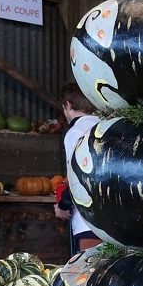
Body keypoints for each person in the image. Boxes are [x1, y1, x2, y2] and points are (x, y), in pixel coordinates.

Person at [54, 83, 101, 254]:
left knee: (86, 273)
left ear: (67, 105)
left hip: (87, 220)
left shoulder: (76, 132)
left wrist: (63, 205)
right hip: (113, 219)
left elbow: (78, 174)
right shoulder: (106, 126)